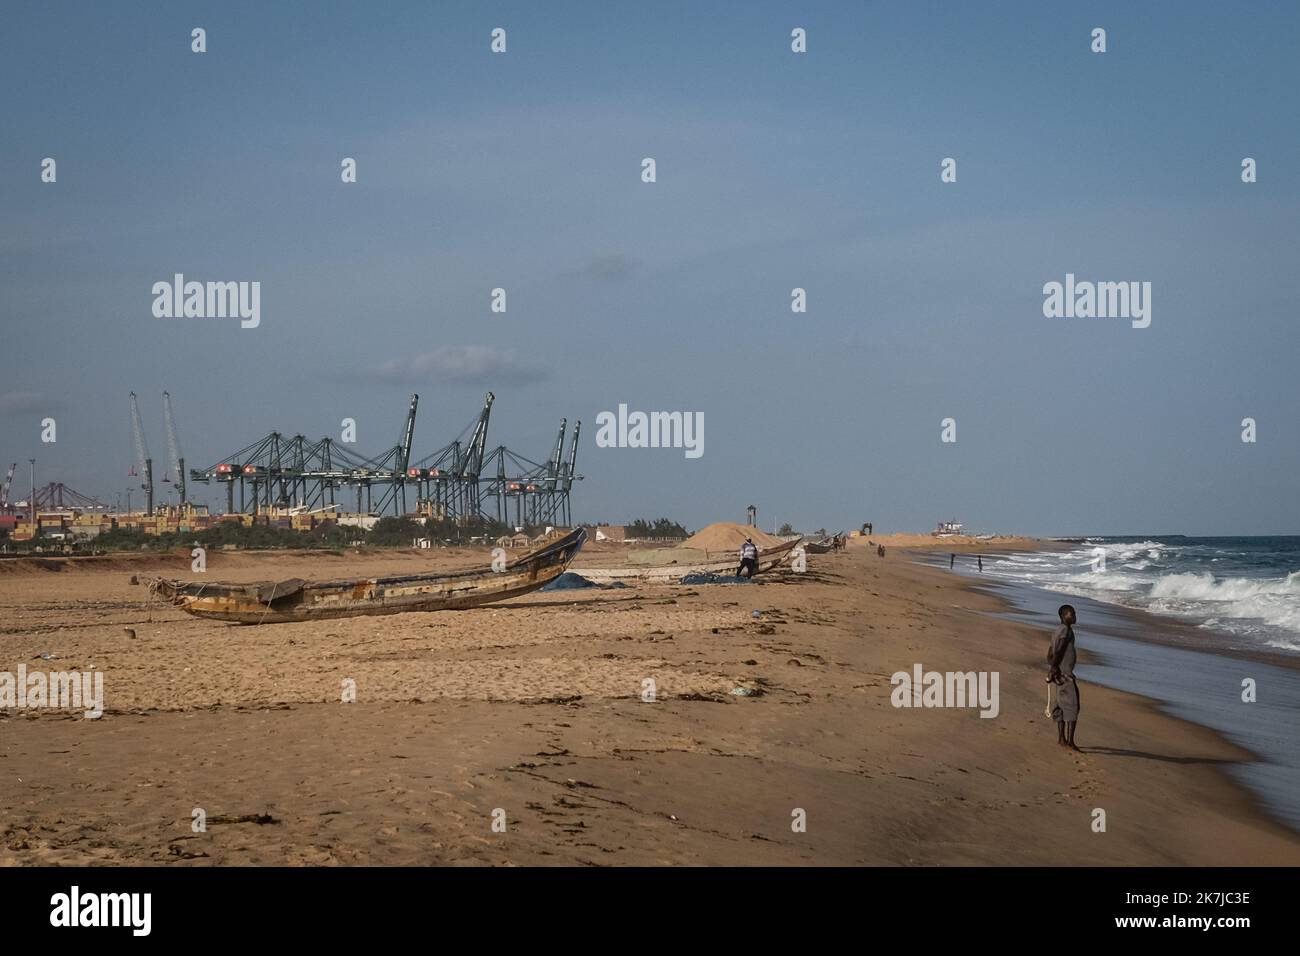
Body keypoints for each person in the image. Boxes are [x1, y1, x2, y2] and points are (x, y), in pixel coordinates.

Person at [1047, 604, 1082, 751]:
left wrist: (1052, 667)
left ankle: (1061, 738)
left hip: (1059, 673)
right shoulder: (1065, 631)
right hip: (1065, 675)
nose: (1074, 616)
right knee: (1073, 706)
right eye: (1071, 614)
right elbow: (1060, 648)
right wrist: (1055, 668)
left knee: (1060, 706)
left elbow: (1050, 651)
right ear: (1064, 616)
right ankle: (1070, 742)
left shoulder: (1057, 630)